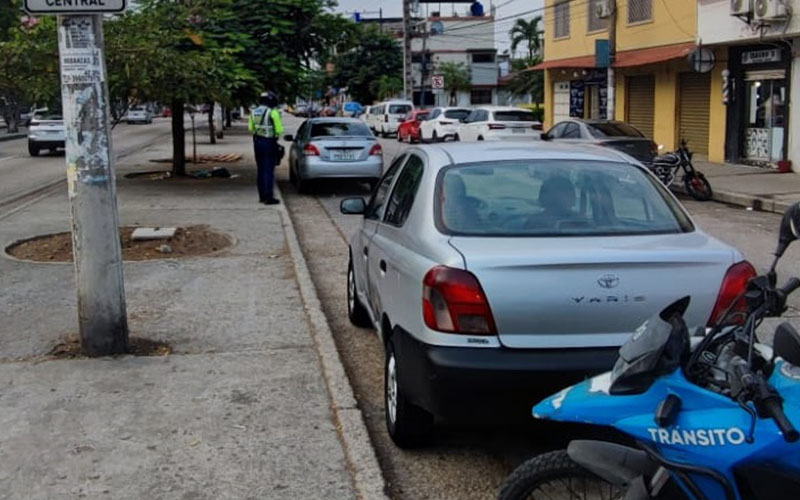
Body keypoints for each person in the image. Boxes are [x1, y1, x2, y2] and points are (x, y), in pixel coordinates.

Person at [248, 91, 283, 205]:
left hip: (257, 142)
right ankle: (269, 197)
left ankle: (262, 196)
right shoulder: (273, 112)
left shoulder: (253, 112)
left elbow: (251, 128)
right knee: (269, 170)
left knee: (261, 169)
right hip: (269, 142)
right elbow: (279, 130)